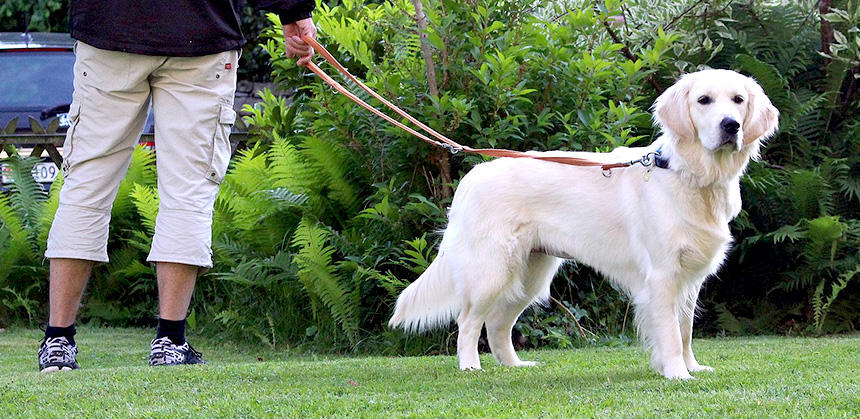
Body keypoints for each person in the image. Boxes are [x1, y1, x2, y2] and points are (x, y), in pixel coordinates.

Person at [38, 0, 317, 372]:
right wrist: (294, 12)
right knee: (189, 190)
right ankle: (170, 343)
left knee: (86, 185)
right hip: (201, 32)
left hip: (109, 28)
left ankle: (58, 341)